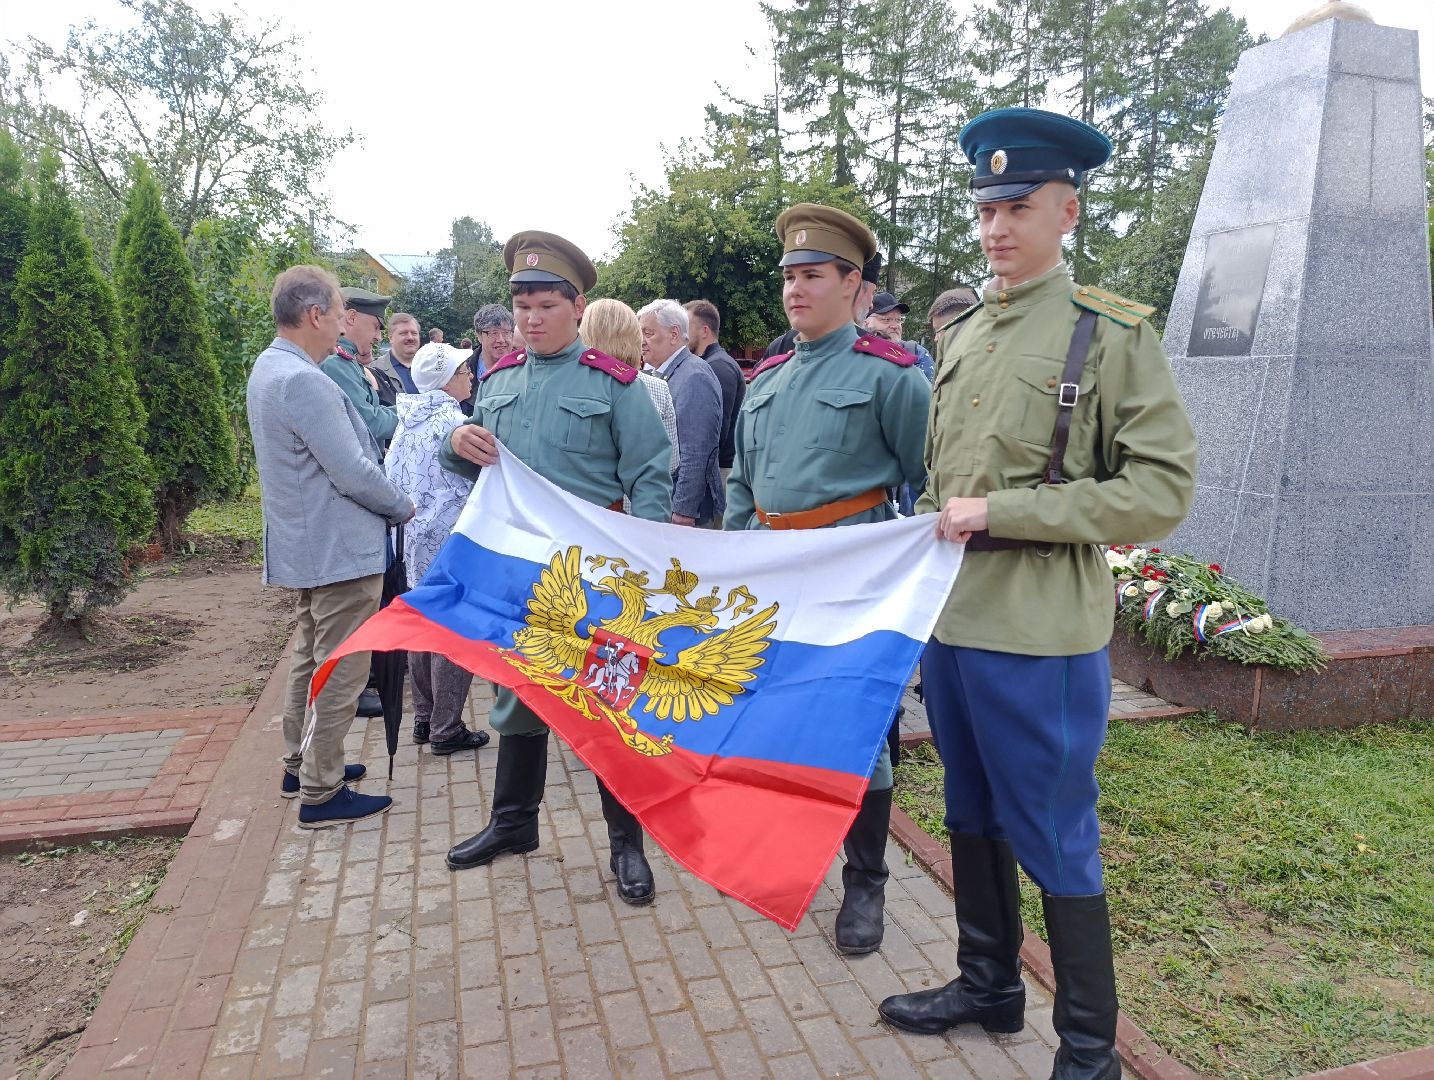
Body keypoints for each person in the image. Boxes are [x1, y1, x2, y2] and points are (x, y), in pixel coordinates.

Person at [875, 109, 1198, 1080]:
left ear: (1068, 209)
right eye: (984, 208)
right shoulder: (967, 331)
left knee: (1055, 834)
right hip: (956, 627)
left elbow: (1162, 489)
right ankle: (989, 983)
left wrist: (1006, 512)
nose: (994, 227)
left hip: (1040, 635)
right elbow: (942, 485)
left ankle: (1091, 1053)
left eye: (1016, 206)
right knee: (969, 811)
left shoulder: (1107, 334)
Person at [439, 231, 672, 907]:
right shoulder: (502, 380)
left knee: (609, 702)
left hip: (598, 578)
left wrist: (640, 563)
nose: (531, 318)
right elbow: (467, 456)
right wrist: (458, 438)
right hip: (521, 572)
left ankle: (627, 845)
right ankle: (514, 824)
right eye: (522, 306)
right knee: (517, 696)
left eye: (545, 304)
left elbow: (652, 476)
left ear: (577, 307)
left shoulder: (616, 385)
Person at [725, 204, 931, 956]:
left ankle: (866, 883)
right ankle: (793, 850)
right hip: (775, 582)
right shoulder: (768, 377)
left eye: (813, 275)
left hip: (852, 583)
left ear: (857, 287)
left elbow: (923, 482)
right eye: (789, 277)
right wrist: (738, 561)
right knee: (782, 717)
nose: (795, 290)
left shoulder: (893, 377)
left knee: (861, 736)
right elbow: (742, 482)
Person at [246, 265, 414, 828]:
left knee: (311, 658)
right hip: (337, 549)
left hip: (308, 545)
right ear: (315, 315)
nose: (344, 324)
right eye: (340, 312)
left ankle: (302, 765)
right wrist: (401, 506)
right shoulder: (304, 380)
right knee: (340, 668)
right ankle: (321, 789)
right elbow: (352, 471)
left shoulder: (271, 367)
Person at [385, 341, 491, 756]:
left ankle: (424, 718)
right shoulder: (454, 423)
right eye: (464, 371)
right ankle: (447, 727)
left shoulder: (408, 419)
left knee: (424, 623)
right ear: (446, 380)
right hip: (452, 537)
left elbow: (391, 475)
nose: (470, 375)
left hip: (415, 537)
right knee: (455, 627)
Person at [638, 299, 724, 527]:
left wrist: (684, 510)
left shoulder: (694, 376)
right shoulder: (666, 375)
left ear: (674, 334)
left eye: (648, 333)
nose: (642, 342)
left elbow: (696, 451)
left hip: (686, 516)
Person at [581, 298, 680, 479]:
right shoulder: (657, 388)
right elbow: (671, 463)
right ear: (633, 335)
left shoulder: (570, 383)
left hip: (585, 502)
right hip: (642, 501)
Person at [763, 251, 882, 360]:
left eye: (811, 276)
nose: (871, 304)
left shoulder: (777, 346)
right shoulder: (877, 357)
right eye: (789, 278)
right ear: (853, 285)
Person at [320, 288, 398, 447]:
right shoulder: (335, 363)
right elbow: (372, 424)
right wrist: (415, 412)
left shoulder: (348, 362)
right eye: (376, 326)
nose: (378, 337)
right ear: (352, 317)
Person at [684, 300, 745, 481]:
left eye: (687, 327)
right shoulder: (710, 364)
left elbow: (715, 434)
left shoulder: (718, 367)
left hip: (721, 471)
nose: (683, 335)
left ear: (704, 331)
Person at [865, 291, 935, 381]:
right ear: (866, 322)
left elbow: (929, 392)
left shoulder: (917, 353)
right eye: (886, 319)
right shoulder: (854, 353)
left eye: (898, 320)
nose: (895, 326)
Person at [465, 304, 518, 414]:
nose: (501, 339)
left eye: (506, 332)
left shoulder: (525, 368)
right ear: (479, 336)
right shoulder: (462, 371)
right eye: (494, 333)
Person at [373, 311, 422, 394]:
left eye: (414, 333)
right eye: (403, 333)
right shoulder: (374, 370)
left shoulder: (432, 366)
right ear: (391, 338)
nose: (410, 337)